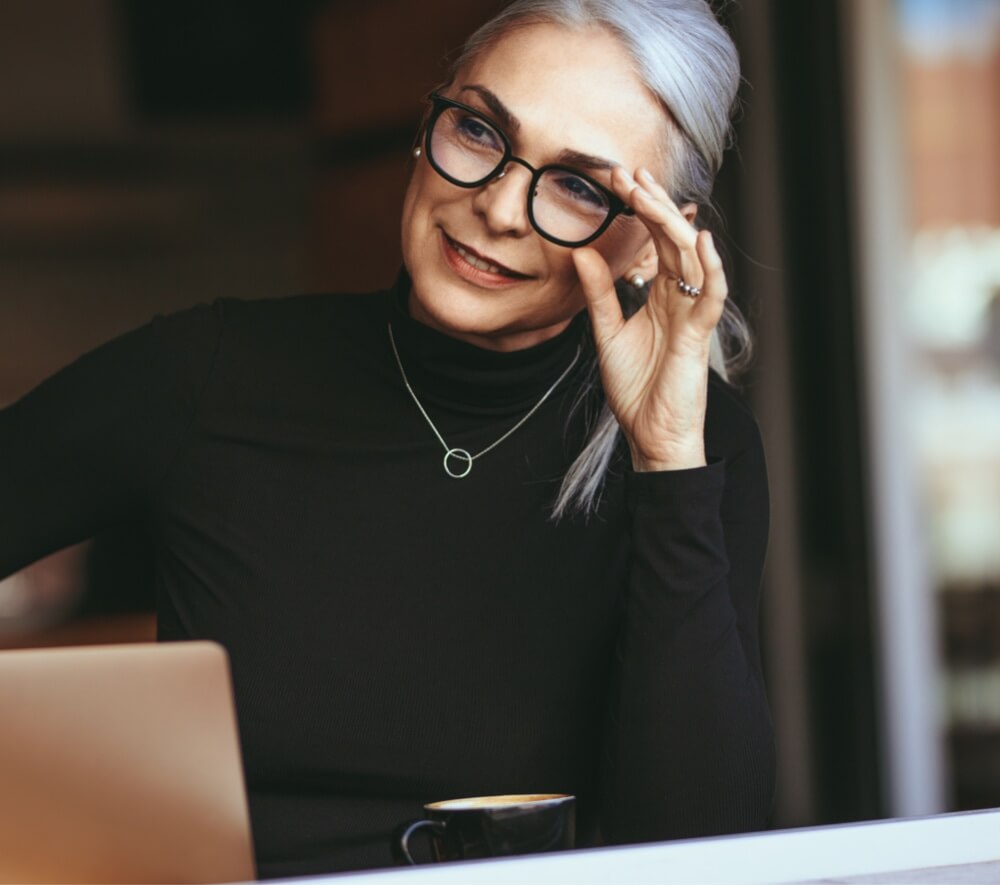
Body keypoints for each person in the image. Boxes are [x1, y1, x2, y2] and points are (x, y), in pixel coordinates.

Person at [0, 0, 774, 877]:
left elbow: (704, 853)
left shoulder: (700, 451)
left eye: (579, 186)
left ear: (649, 244)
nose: (499, 207)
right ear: (428, 123)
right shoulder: (207, 375)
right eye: (481, 132)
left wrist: (667, 458)